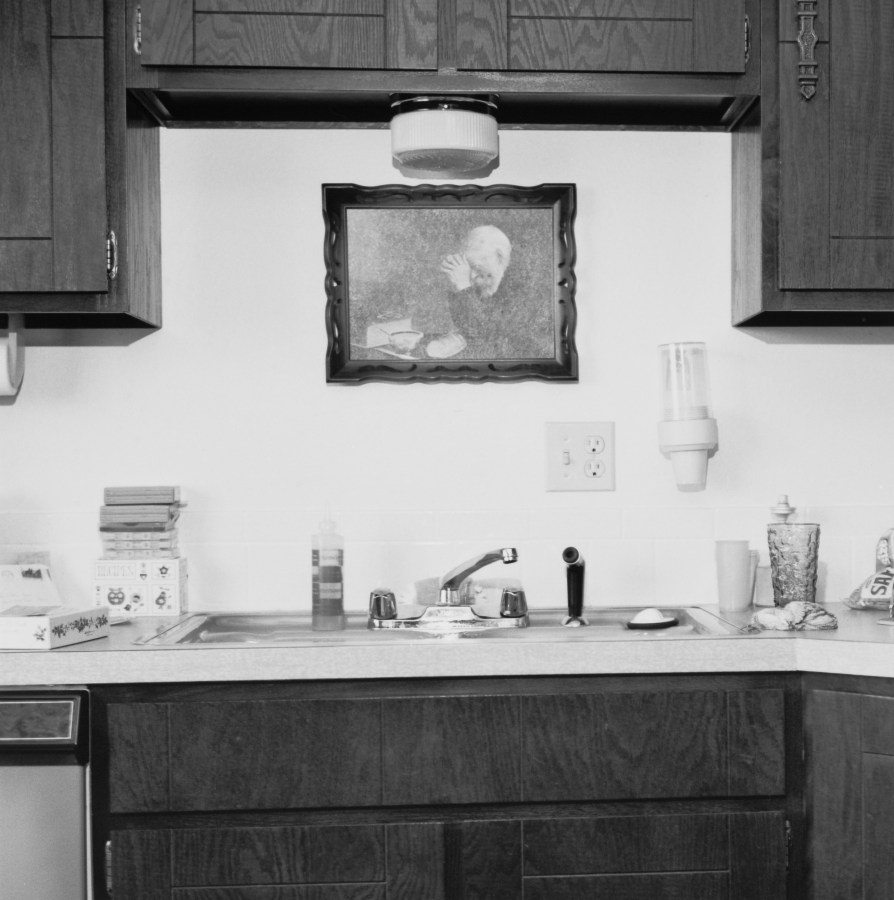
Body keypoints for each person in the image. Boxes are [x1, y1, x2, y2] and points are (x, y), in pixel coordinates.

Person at [427, 225, 519, 359]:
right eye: (469, 267)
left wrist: (463, 286)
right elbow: (462, 327)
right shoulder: (473, 279)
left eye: (479, 270)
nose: (471, 276)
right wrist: (450, 282)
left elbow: (485, 336)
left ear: (501, 263)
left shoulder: (516, 292)